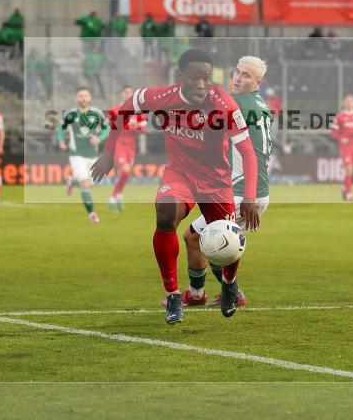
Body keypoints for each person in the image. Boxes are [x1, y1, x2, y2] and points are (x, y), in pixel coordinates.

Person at [91, 49, 260, 324]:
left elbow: (247, 152)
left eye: (206, 78)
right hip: (180, 173)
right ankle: (173, 295)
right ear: (181, 76)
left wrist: (250, 196)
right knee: (165, 215)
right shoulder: (160, 97)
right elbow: (123, 110)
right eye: (195, 78)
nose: (201, 85)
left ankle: (229, 283)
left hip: (215, 180)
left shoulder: (224, 104)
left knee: (226, 236)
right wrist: (109, 151)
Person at [171, 56, 272, 310]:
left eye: (246, 75)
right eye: (237, 71)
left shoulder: (236, 104)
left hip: (243, 192)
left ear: (258, 81)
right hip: (250, 189)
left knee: (197, 239)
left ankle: (209, 293)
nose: (238, 77)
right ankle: (211, 292)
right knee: (203, 240)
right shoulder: (260, 104)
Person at [57, 87, 110, 224]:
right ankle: (92, 214)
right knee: (85, 184)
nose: (83, 98)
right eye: (80, 96)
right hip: (76, 154)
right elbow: (61, 129)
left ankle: (71, 182)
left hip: (92, 154)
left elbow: (107, 128)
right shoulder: (71, 114)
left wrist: (99, 139)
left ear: (90, 98)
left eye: (86, 96)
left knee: (90, 184)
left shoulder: (97, 113)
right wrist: (61, 141)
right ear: (77, 98)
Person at [107, 86, 147, 213]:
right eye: (126, 92)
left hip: (131, 146)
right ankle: (113, 197)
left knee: (124, 174)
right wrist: (133, 126)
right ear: (121, 95)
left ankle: (119, 195)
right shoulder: (114, 110)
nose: (129, 95)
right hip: (119, 144)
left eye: (131, 93)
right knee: (125, 170)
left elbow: (144, 129)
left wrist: (132, 126)